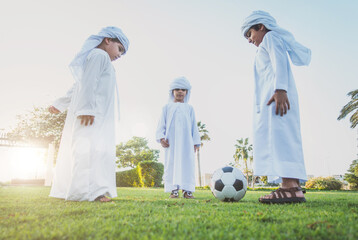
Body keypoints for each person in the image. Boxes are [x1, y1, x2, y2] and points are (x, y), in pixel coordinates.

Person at [48, 26, 129, 202]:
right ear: (108, 40)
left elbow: (79, 84)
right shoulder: (99, 55)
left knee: (93, 151)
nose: (120, 55)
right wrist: (86, 109)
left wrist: (60, 103)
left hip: (95, 114)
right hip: (91, 115)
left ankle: (90, 191)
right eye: (120, 48)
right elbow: (87, 83)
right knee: (88, 151)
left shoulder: (97, 58)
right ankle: (88, 193)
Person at [241, 11, 311, 204]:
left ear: (261, 26)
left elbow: (279, 61)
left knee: (283, 139)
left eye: (249, 34)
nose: (249, 40)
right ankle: (291, 186)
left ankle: (290, 188)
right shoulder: (265, 43)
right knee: (279, 139)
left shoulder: (271, 37)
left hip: (279, 98)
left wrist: (280, 89)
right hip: (274, 100)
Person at [156, 77, 201, 199]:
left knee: (187, 165)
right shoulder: (166, 107)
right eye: (177, 89)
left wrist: (196, 142)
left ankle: (187, 190)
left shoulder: (189, 108)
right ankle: (173, 190)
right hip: (172, 143)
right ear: (172, 91)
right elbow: (161, 124)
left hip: (187, 143)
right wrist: (161, 138)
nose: (180, 92)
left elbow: (193, 126)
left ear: (187, 92)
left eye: (183, 89)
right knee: (171, 164)